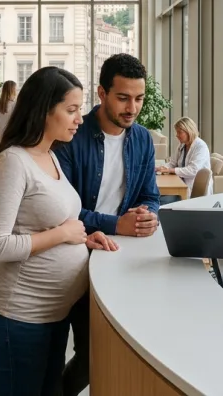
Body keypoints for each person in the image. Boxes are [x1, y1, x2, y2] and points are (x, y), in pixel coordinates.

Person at [0, 66, 118, 396]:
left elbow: (52, 220)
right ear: (43, 110)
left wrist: (84, 239)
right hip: (19, 315)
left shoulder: (50, 155)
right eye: (71, 110)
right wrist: (63, 235)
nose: (79, 119)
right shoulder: (13, 162)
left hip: (53, 314)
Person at [53, 53, 161, 396]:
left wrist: (148, 214)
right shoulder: (71, 135)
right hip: (72, 255)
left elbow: (150, 193)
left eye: (139, 99)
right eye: (123, 98)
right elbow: (63, 212)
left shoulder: (142, 138)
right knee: (76, 355)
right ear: (101, 93)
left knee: (104, 351)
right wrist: (118, 224)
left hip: (118, 257)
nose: (133, 108)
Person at [156, 116, 212, 200]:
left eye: (179, 132)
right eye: (176, 132)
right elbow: (173, 163)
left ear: (189, 131)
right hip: (179, 183)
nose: (177, 135)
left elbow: (193, 170)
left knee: (160, 200)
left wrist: (171, 170)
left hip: (190, 189)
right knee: (155, 196)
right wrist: (160, 168)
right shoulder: (182, 145)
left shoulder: (201, 147)